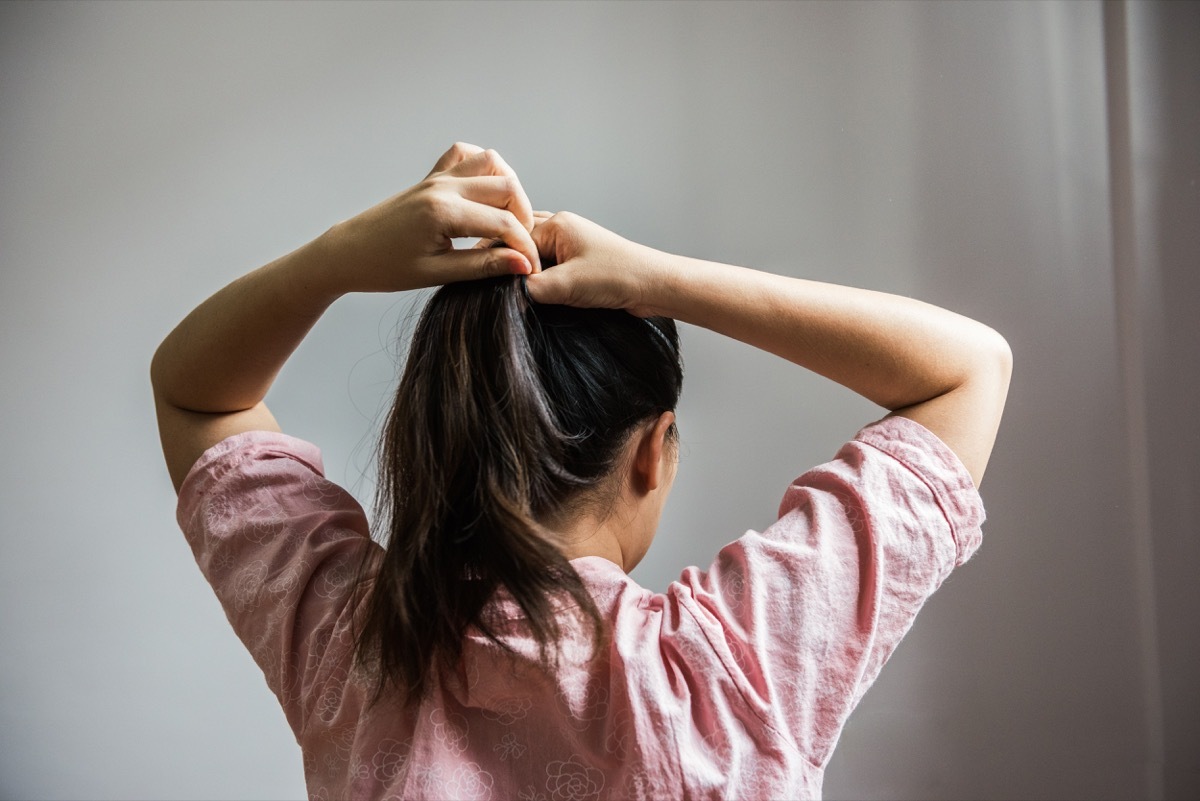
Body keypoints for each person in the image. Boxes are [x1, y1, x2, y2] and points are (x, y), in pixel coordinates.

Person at [152, 142, 1012, 800]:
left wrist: (337, 259)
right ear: (652, 450)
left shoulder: (350, 646)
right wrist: (669, 282)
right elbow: (968, 367)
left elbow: (198, 399)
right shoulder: (725, 674)